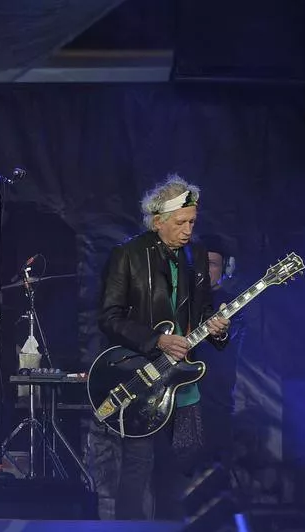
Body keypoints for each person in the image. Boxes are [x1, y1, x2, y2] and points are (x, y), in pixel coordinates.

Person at [97, 174, 230, 520]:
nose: (188, 230)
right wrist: (155, 339)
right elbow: (109, 318)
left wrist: (216, 329)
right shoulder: (127, 255)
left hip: (183, 382)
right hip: (143, 375)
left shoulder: (195, 256)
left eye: (192, 222)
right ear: (159, 222)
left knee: (178, 469)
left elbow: (201, 312)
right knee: (138, 466)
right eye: (181, 222)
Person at [195, 234, 241, 473]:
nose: (205, 269)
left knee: (214, 474)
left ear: (225, 268)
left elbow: (229, 342)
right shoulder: (180, 301)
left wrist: (221, 333)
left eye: (212, 264)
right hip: (178, 402)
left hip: (215, 403)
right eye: (201, 262)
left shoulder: (234, 305)